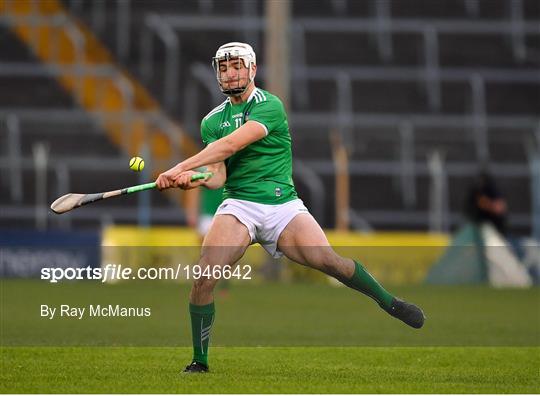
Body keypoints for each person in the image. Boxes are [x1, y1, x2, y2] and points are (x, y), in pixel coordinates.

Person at [156, 42, 425, 373]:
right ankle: (200, 360)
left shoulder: (269, 105)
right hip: (239, 204)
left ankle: (390, 303)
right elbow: (218, 173)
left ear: (253, 69)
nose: (230, 73)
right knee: (204, 277)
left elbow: (233, 143)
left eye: (237, 66)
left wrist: (176, 166)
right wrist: (191, 177)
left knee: (330, 262)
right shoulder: (212, 121)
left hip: (283, 204)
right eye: (224, 68)